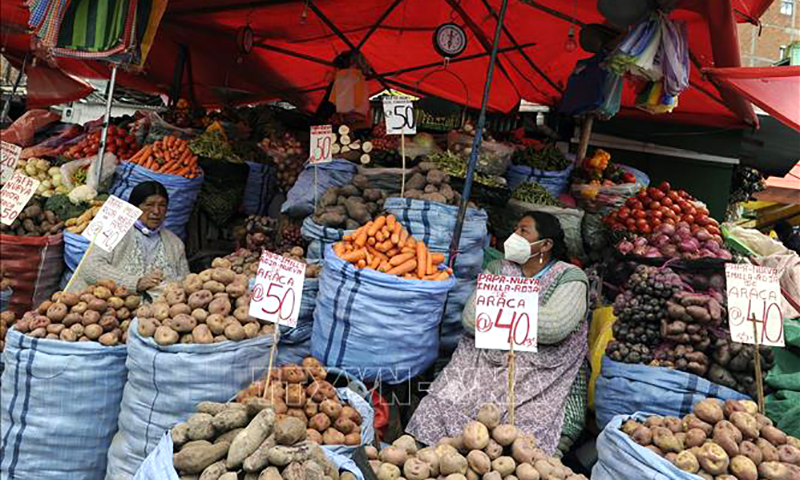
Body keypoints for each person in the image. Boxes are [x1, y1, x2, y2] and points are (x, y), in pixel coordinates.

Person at [407, 211, 589, 456]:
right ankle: (441, 448)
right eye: (515, 230)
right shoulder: (498, 269)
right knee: (448, 397)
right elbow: (471, 318)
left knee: (524, 425)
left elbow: (555, 325)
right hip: (487, 358)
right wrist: (521, 320)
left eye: (523, 231)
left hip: (540, 369)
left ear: (545, 244)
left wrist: (494, 315)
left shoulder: (569, 276)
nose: (514, 236)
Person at [69, 181, 190, 298]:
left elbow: (186, 281)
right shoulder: (115, 228)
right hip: (112, 306)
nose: (156, 211)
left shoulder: (175, 243)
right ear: (135, 207)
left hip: (157, 312)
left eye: (162, 205)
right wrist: (135, 283)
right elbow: (90, 268)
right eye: (149, 205)